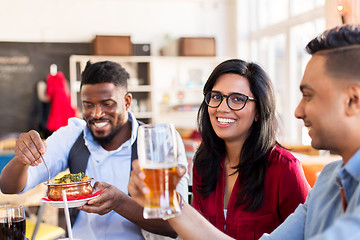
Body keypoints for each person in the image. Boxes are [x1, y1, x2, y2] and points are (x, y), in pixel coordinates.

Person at [129, 24, 360, 240]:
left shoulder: (285, 168)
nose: (298, 111)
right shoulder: (328, 183)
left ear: (353, 100)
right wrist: (169, 202)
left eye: (308, 95)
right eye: (216, 97)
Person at [0, 60, 189, 240]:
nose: (97, 114)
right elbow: (9, 186)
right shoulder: (72, 134)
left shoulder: (159, 143)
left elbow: (174, 225)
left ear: (127, 102)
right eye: (88, 105)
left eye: (107, 104)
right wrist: (22, 159)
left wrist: (119, 202)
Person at [131, 58, 310, 240]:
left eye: (237, 99)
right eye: (216, 97)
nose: (222, 108)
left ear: (258, 111)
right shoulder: (204, 162)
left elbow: (309, 234)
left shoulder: (285, 168)